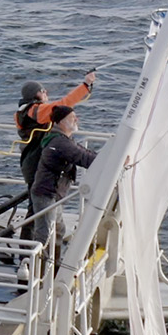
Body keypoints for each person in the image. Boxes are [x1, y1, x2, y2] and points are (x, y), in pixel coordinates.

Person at [16, 70, 96, 191]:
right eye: (42, 91)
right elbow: (63, 105)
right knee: (38, 200)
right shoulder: (36, 111)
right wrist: (85, 85)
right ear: (34, 95)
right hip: (36, 162)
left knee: (34, 198)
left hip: (30, 160)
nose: (46, 93)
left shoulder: (23, 112)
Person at [29, 105, 97, 246]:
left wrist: (109, 156)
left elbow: (84, 152)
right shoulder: (60, 143)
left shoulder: (63, 140)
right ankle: (36, 265)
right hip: (46, 195)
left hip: (54, 195)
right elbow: (84, 158)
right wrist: (113, 159)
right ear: (61, 122)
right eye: (72, 117)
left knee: (59, 230)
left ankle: (54, 264)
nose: (76, 119)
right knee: (44, 235)